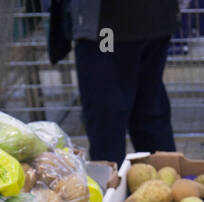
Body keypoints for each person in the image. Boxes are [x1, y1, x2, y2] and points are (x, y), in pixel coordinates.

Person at [48, 0, 181, 164]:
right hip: (157, 22)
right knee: (150, 110)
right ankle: (164, 179)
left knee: (107, 116)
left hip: (107, 30)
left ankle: (113, 182)